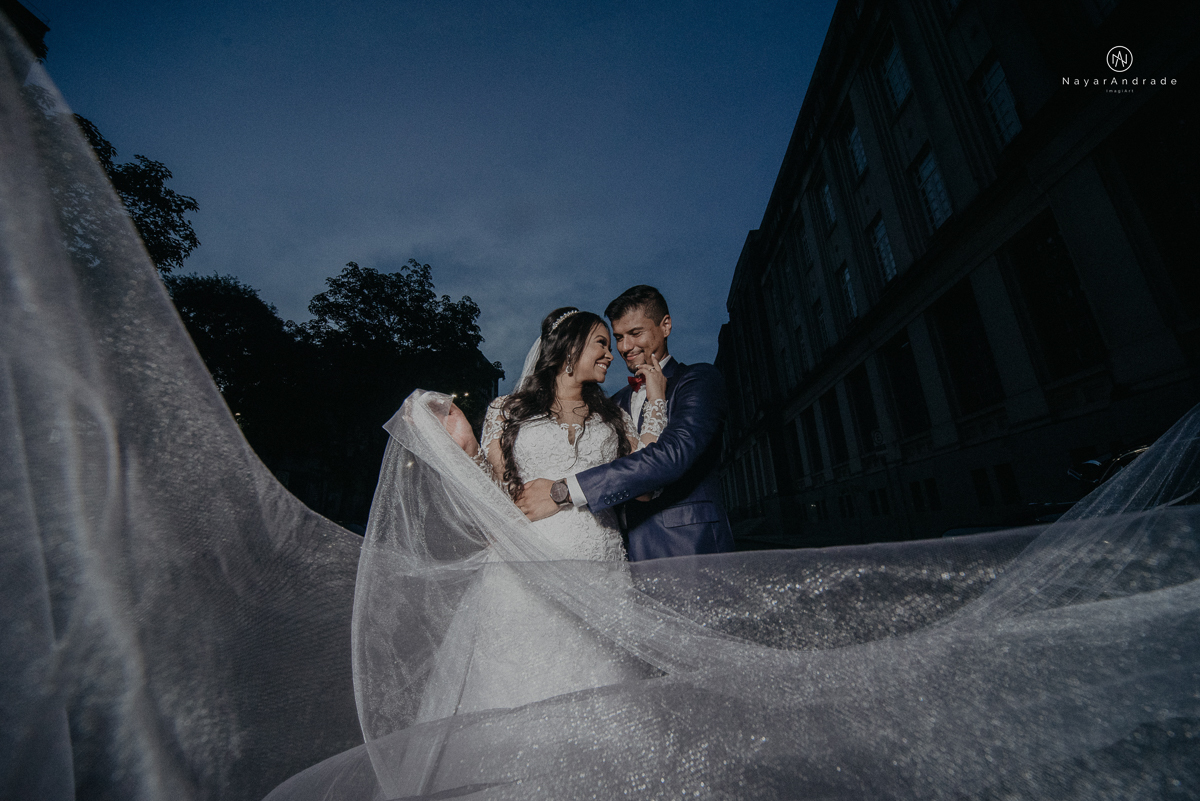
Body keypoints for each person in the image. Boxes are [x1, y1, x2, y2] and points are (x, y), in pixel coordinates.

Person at [518, 285, 735, 560]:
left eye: (635, 333)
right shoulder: (612, 405)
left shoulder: (699, 380)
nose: (624, 347)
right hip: (616, 554)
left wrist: (565, 491)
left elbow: (671, 457)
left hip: (686, 550)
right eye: (618, 337)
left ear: (665, 325)